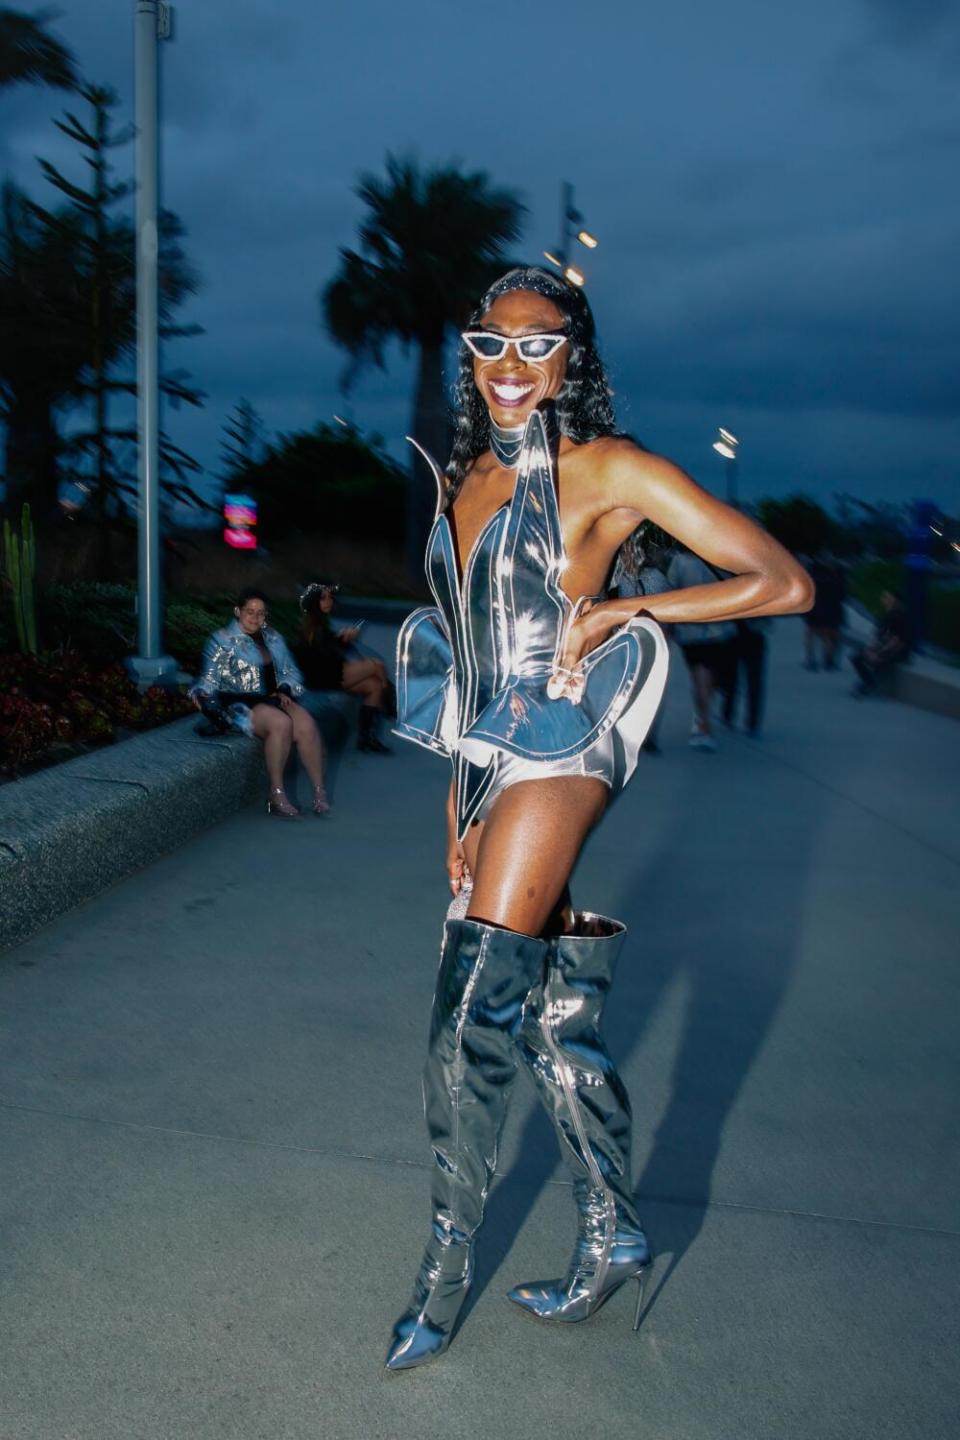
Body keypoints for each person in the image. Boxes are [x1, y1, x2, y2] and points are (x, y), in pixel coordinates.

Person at [385, 265, 812, 1372]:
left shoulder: (609, 469)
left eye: (541, 343)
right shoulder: (467, 473)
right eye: (492, 343)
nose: (513, 366)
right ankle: (615, 1229)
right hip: (486, 759)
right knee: (546, 1010)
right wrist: (454, 793)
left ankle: (441, 1273)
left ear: (577, 356)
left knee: (468, 1000)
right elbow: (469, 658)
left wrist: (632, 601)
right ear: (468, 354)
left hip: (568, 743)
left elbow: (781, 581)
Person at [190, 587, 330, 816]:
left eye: (261, 613)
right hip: (241, 703)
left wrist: (285, 687)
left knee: (307, 725)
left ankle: (319, 791)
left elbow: (290, 672)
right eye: (250, 612)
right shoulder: (222, 640)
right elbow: (208, 679)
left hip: (272, 698)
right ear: (237, 611)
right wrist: (204, 698)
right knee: (281, 724)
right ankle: (276, 793)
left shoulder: (273, 638)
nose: (255, 617)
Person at [294, 582, 393, 754]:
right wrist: (343, 638)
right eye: (323, 598)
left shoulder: (319, 622)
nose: (328, 601)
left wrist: (344, 638)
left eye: (330, 598)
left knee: (374, 686)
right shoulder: (309, 625)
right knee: (377, 665)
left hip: (328, 673)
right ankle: (390, 706)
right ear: (313, 601)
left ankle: (367, 739)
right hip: (322, 677)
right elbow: (322, 656)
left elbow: (332, 648)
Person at [665, 543, 737, 751]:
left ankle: (703, 723)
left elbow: (671, 592)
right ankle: (704, 719)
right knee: (709, 674)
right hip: (721, 627)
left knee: (699, 674)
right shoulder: (722, 559)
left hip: (691, 629)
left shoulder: (680, 562)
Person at [850, 588, 910, 696]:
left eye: (888, 597)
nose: (884, 599)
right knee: (857, 656)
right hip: (884, 648)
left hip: (897, 652)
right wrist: (871, 648)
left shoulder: (900, 617)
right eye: (885, 597)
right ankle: (868, 682)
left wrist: (879, 653)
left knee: (872, 659)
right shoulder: (886, 615)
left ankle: (868, 684)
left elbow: (897, 641)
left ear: (895, 601)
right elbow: (878, 636)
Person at [803, 556, 846, 671]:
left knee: (812, 633)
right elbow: (843, 595)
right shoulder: (838, 576)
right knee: (828, 635)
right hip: (832, 609)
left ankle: (811, 659)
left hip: (816, 608)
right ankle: (828, 660)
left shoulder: (814, 575)